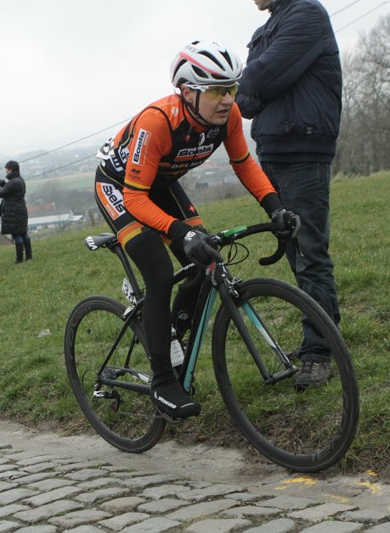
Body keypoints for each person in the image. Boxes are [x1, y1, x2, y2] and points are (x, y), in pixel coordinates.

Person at [93, 40, 298, 420]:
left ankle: (171, 339)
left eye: (232, 89)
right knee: (158, 270)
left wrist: (276, 207)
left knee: (207, 262)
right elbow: (136, 200)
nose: (227, 100)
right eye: (218, 91)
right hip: (120, 190)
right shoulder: (158, 122)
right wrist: (182, 234)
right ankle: (162, 380)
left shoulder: (228, 117)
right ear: (187, 92)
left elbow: (244, 164)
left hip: (162, 184)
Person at [236, 0, 343, 388]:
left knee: (311, 252)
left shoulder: (306, 15)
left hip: (304, 148)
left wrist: (261, 83)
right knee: (296, 252)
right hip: (273, 150)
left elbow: (257, 81)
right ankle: (324, 333)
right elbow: (245, 99)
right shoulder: (266, 29)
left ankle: (319, 353)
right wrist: (259, 83)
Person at [0, 161, 31, 263]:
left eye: (6, 169)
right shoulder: (19, 180)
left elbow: (1, 193)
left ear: (10, 169)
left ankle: (19, 259)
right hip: (21, 209)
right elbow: (9, 189)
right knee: (24, 233)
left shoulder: (13, 182)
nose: (6, 171)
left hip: (13, 212)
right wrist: (1, 182)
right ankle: (29, 256)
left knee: (17, 235)